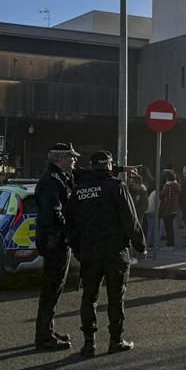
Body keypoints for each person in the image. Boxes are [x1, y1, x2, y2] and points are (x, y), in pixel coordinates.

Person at [66, 151, 145, 357]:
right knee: (115, 297)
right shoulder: (117, 187)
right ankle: (115, 340)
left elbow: (70, 224)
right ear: (109, 165)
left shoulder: (80, 190)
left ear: (92, 166)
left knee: (89, 297)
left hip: (89, 252)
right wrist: (141, 245)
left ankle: (89, 343)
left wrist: (78, 248)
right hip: (115, 251)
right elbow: (130, 220)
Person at [33, 143, 80, 350]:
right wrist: (71, 229)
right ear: (61, 160)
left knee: (55, 289)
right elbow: (54, 212)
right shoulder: (51, 181)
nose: (75, 161)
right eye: (72, 158)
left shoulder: (61, 177)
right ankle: (44, 337)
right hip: (55, 241)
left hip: (57, 239)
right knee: (51, 289)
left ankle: (48, 331)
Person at [157, 171, 181, 248]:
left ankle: (170, 243)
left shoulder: (168, 186)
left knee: (168, 227)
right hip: (175, 208)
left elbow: (161, 195)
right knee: (170, 227)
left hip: (167, 209)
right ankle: (171, 242)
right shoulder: (177, 185)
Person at [127, 171, 150, 241]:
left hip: (138, 217)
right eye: (130, 183)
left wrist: (137, 213)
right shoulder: (128, 191)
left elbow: (145, 205)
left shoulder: (142, 191)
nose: (131, 185)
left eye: (132, 183)